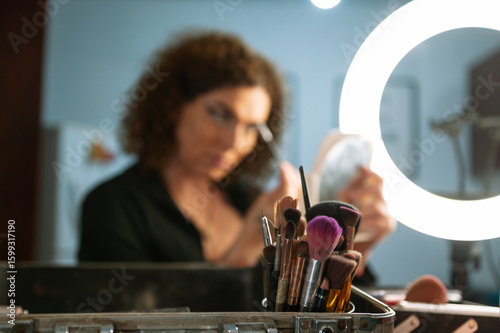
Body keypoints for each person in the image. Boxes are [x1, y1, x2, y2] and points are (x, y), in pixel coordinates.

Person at [78, 30, 395, 273]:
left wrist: (357, 248)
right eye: (220, 114)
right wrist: (247, 247)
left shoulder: (250, 200)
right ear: (173, 106)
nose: (234, 142)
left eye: (252, 128)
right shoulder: (113, 206)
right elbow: (126, 319)